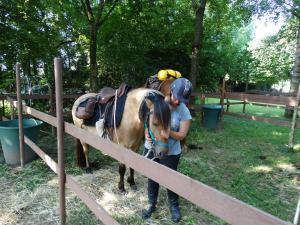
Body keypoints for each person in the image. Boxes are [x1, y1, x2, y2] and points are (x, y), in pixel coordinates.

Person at [142, 77, 193, 223]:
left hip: (171, 151)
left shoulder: (183, 111)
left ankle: (174, 205)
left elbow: (182, 134)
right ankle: (152, 203)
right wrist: (147, 132)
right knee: (153, 175)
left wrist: (167, 131)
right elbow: (148, 121)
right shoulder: (157, 104)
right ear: (170, 92)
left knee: (171, 179)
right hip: (152, 147)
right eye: (176, 98)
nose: (178, 102)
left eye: (182, 100)